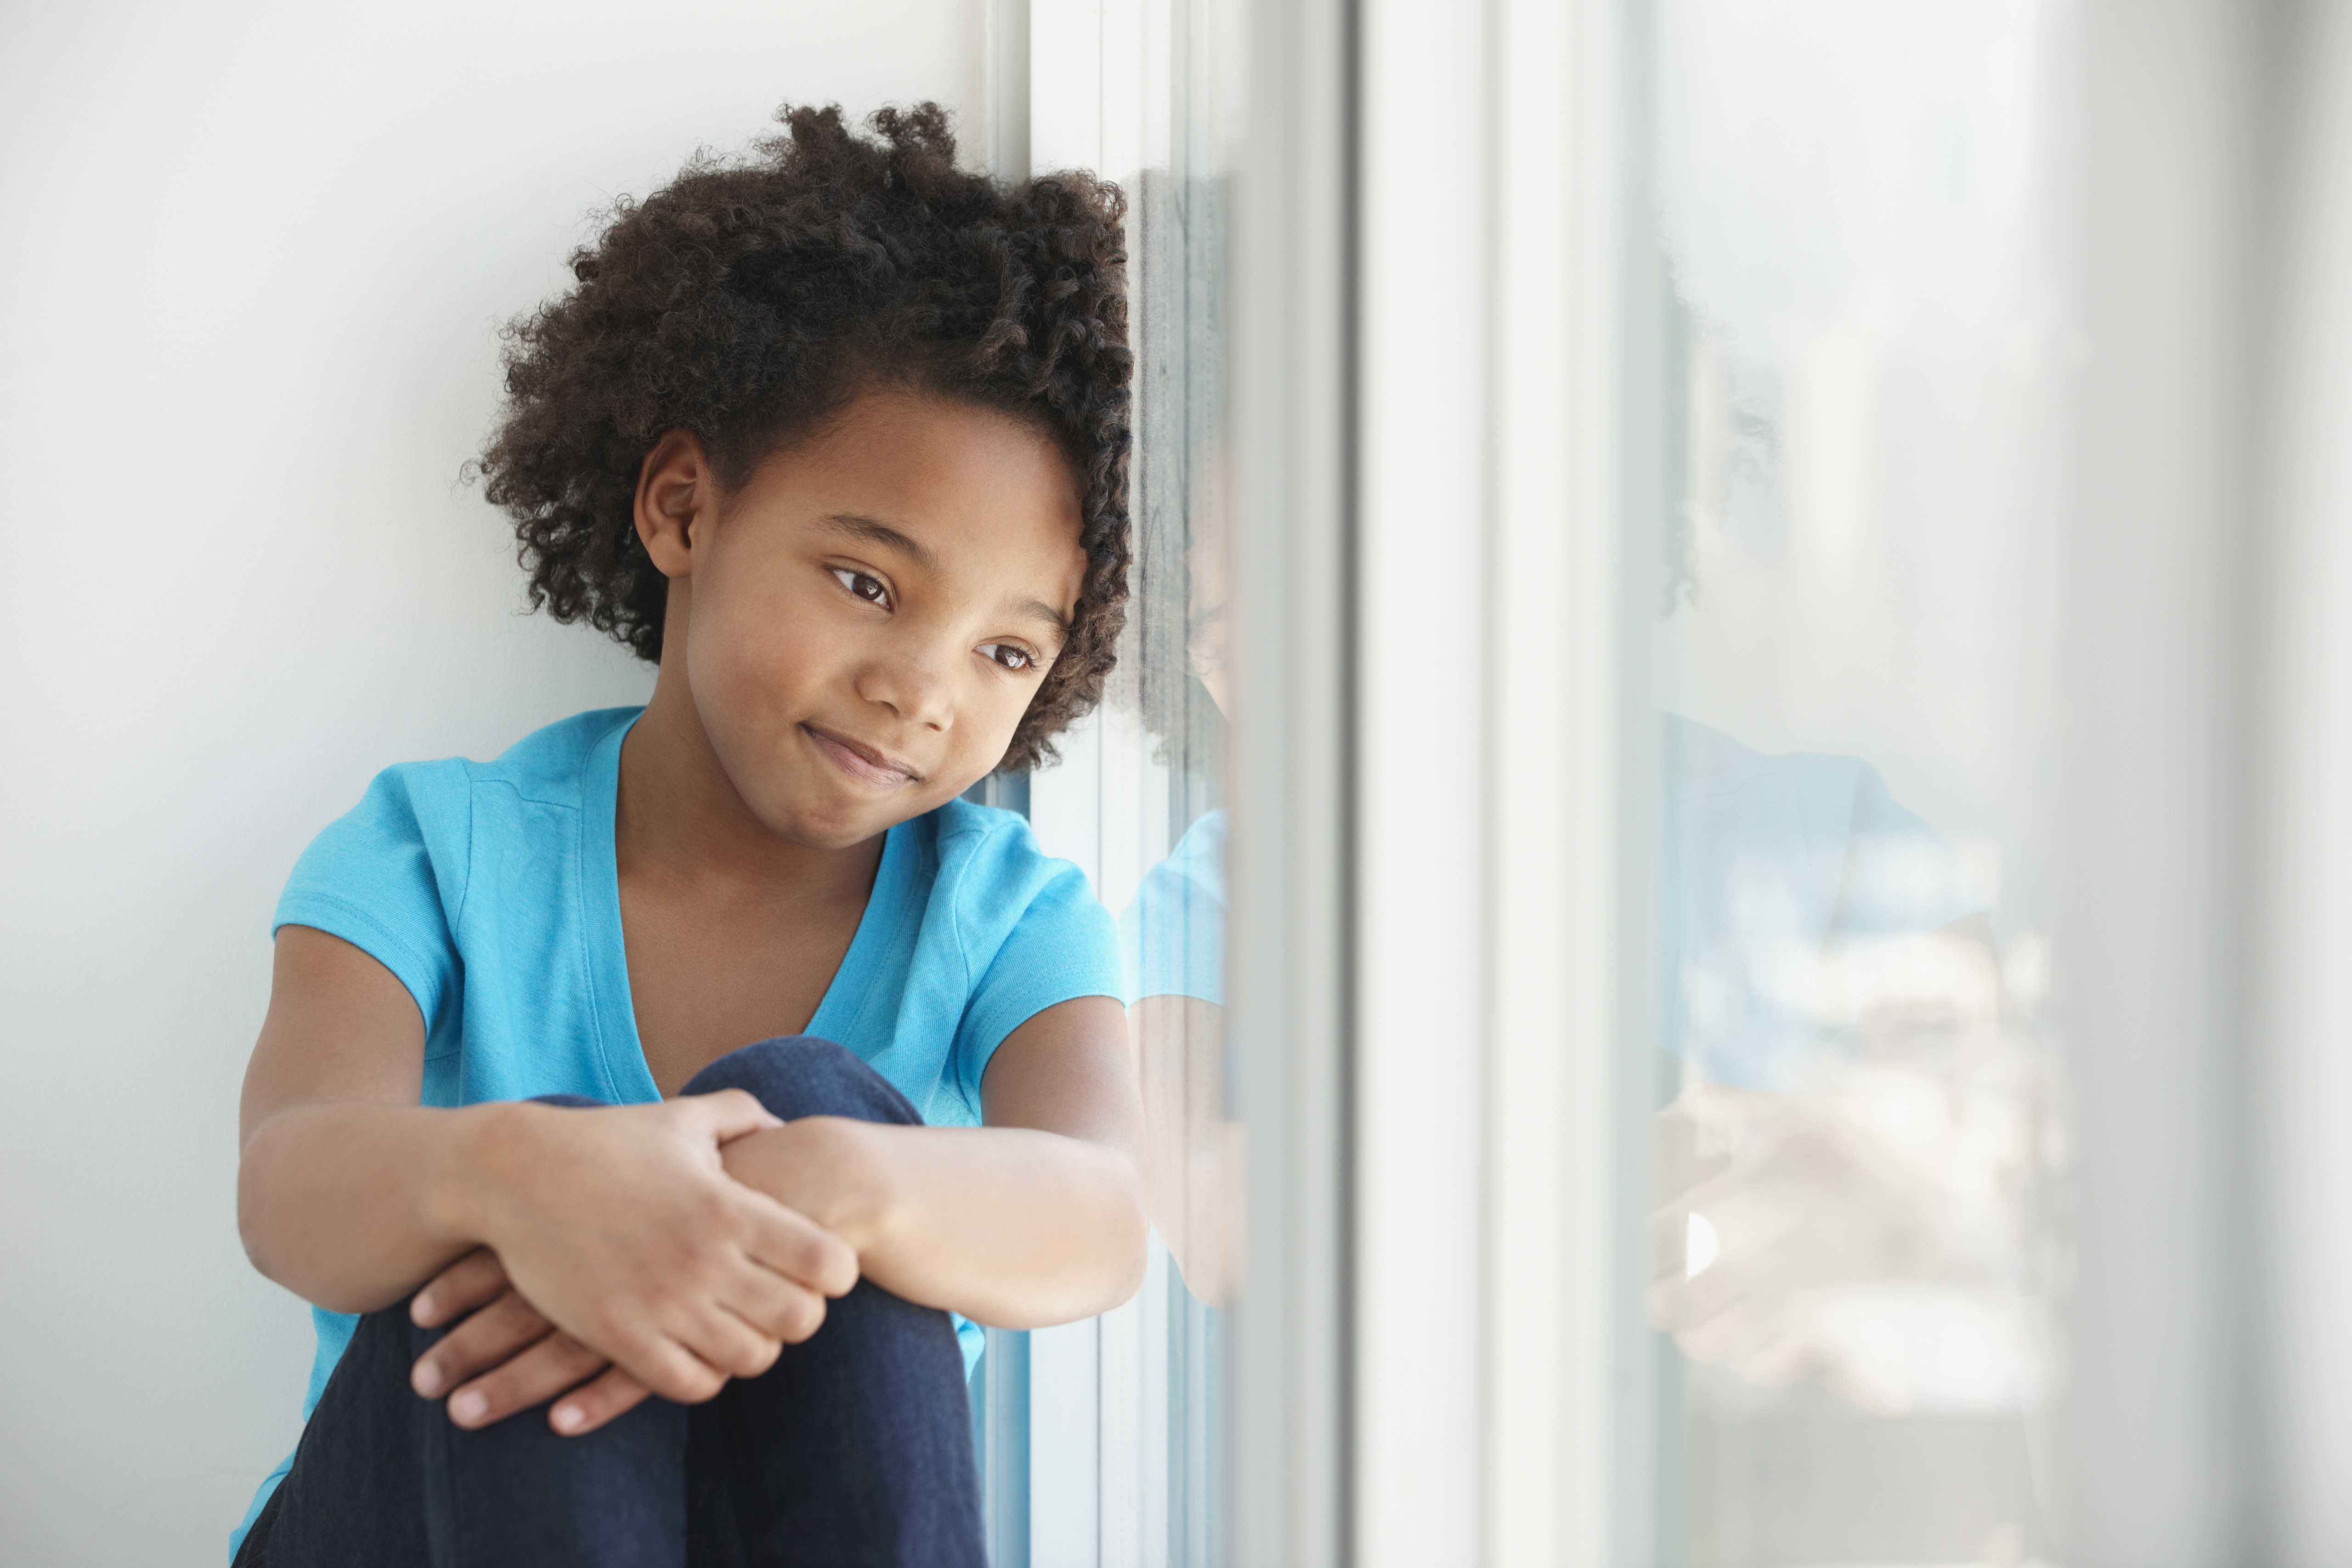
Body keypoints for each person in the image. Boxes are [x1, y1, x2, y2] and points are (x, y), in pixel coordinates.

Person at [230, 104, 1148, 1567]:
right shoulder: (432, 847)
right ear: (681, 509)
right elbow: (286, 1188)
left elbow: (1102, 1216)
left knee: (816, 1104)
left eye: (1006, 653)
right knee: (566, 1179)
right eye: (866, 583)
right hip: (414, 1526)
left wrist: (841, 1182)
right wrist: (520, 1181)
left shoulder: (1012, 916)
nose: (921, 690)